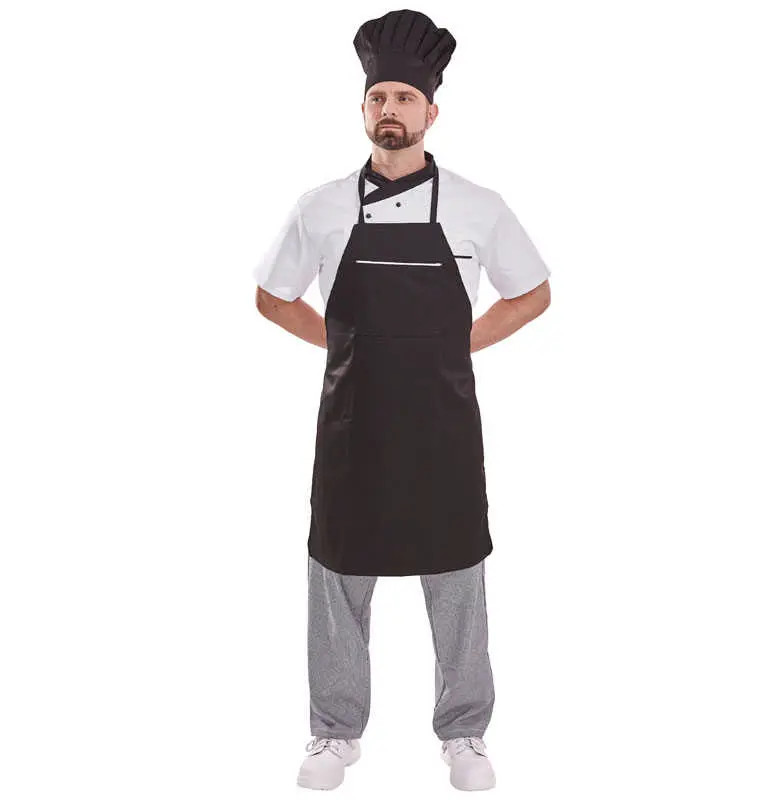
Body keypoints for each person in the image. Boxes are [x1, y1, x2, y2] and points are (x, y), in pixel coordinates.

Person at [253, 9, 552, 792]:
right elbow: (272, 297)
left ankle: (465, 733)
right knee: (338, 578)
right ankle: (334, 732)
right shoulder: (320, 205)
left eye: (405, 98)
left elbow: (533, 292)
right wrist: (341, 343)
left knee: (457, 581)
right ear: (363, 108)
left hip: (442, 430)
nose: (391, 109)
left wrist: (461, 342)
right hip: (352, 428)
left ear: (431, 112)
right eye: (378, 97)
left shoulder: (478, 205)